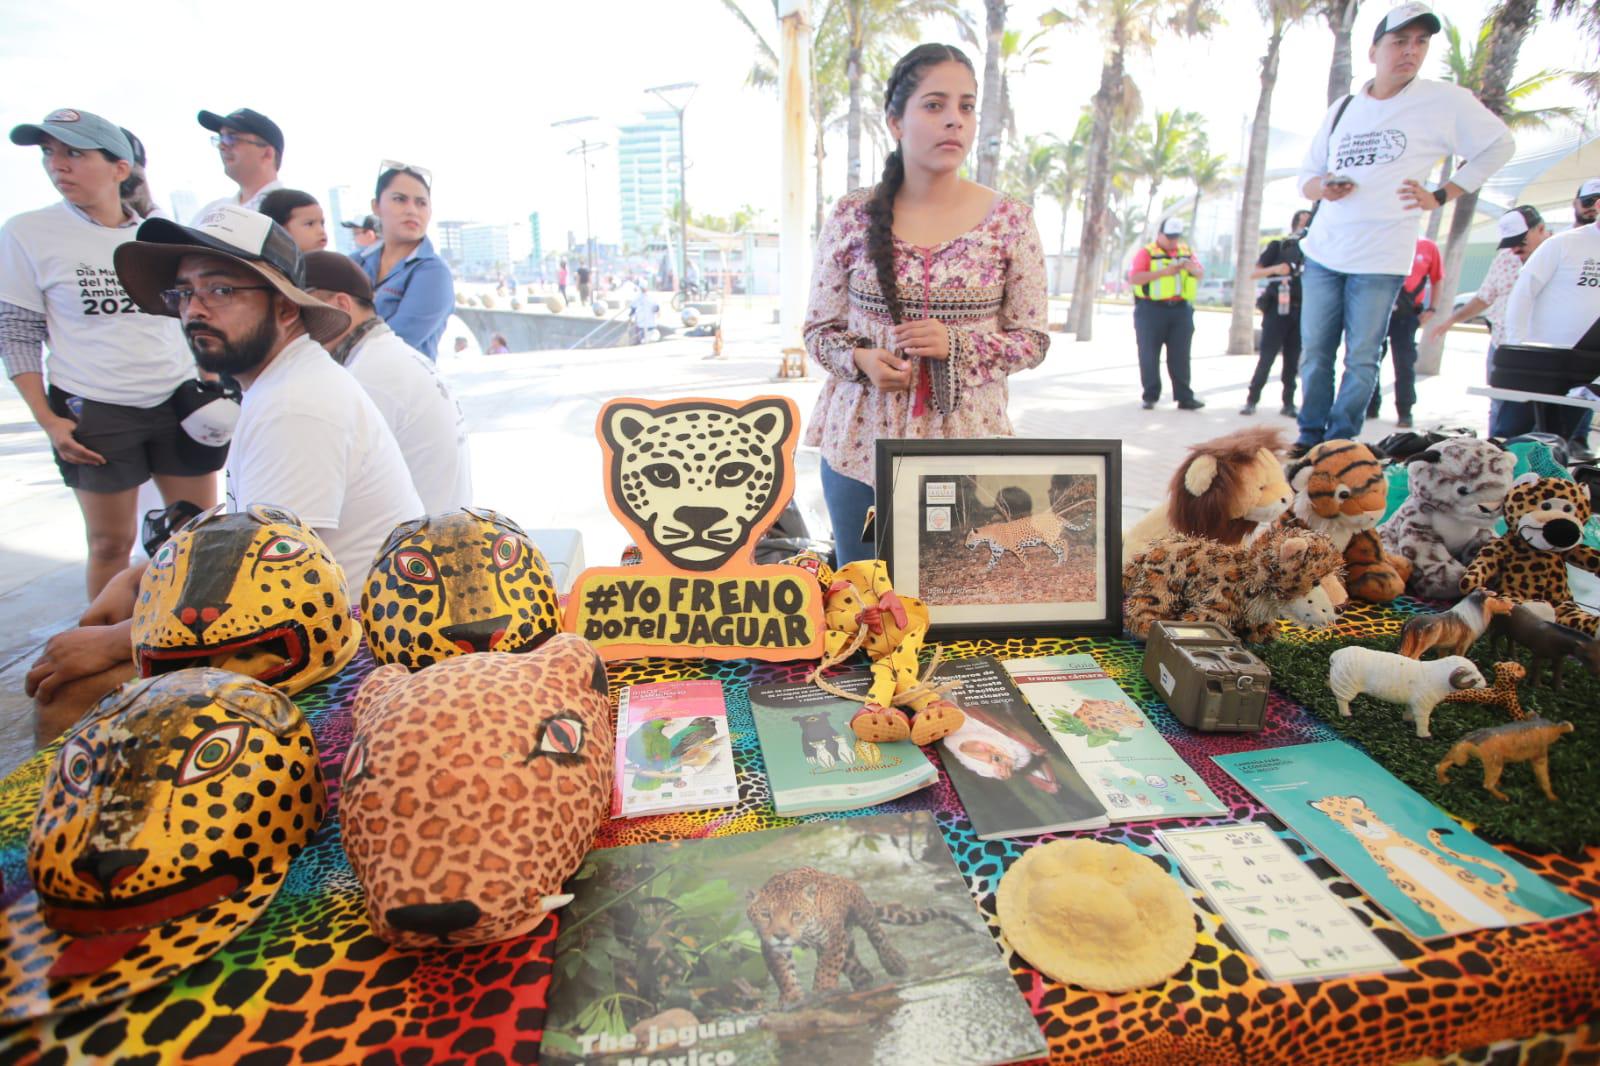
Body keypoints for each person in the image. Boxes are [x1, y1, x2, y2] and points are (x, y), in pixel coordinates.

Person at [803, 43, 1049, 566]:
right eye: (934, 105)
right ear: (895, 121)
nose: (954, 121)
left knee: (959, 607)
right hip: (859, 448)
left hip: (970, 450)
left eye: (966, 106)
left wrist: (956, 345)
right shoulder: (851, 215)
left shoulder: (1011, 222)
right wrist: (861, 360)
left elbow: (1032, 340)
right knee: (862, 606)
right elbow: (819, 329)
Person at [115, 204, 424, 573]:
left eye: (220, 290)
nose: (194, 310)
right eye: (183, 293)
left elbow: (267, 591)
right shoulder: (283, 382)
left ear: (286, 308)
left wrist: (114, 630)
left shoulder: (294, 406)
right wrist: (144, 575)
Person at [0, 109, 221, 599]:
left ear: (120, 168)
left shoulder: (160, 231)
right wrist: (48, 420)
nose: (59, 164)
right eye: (49, 153)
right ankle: (103, 659)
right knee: (109, 543)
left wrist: (212, 383)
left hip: (178, 400)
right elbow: (17, 332)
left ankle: (195, 641)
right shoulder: (28, 232)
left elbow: (192, 314)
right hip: (97, 407)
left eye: (75, 152)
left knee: (196, 535)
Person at [1292, 2, 1514, 454]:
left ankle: (1339, 443)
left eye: (1420, 42)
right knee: (1314, 354)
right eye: (1399, 41)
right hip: (1324, 251)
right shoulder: (1344, 107)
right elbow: (1307, 177)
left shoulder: (1442, 101)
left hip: (1382, 255)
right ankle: (1308, 436)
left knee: (1361, 358)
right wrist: (1325, 188)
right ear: (1374, 51)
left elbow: (1499, 144)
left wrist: (1443, 194)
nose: (1410, 51)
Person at [303, 251, 473, 514]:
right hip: (439, 533)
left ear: (340, 306)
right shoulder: (389, 357)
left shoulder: (366, 378)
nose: (294, 327)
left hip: (418, 547)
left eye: (302, 311)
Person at [1425, 205, 1548, 437]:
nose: (1514, 249)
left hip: (1537, 351)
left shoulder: (1557, 254)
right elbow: (1484, 297)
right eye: (1509, 242)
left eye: (1520, 242)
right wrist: (1451, 320)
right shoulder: (1505, 258)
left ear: (1540, 229)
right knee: (1499, 405)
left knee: (1531, 413)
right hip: (1501, 344)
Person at [1501, 184, 1600, 444]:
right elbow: (1523, 293)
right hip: (1537, 364)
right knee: (1510, 439)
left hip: (1586, 369)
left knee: (1558, 445)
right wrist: (1517, 347)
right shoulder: (1564, 243)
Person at [354, 162, 453, 360]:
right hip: (350, 385)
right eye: (400, 199)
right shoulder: (355, 263)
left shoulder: (433, 272)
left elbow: (395, 344)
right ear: (376, 206)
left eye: (421, 203)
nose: (412, 210)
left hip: (403, 388)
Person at [1129, 218, 1205, 411]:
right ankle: (1150, 395)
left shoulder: (1186, 252)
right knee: (1149, 354)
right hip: (1151, 310)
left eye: (1175, 237)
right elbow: (1135, 278)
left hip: (1180, 310)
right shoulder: (1146, 253)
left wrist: (1192, 269)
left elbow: (1200, 274)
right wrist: (1164, 272)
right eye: (1169, 237)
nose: (1172, 241)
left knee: (1181, 354)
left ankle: (1184, 397)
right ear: (1160, 234)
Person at [1242, 209, 1312, 417]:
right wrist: (1276, 269)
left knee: (1292, 360)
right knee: (1267, 357)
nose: (1305, 228)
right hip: (1276, 310)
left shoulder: (1314, 252)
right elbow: (1255, 273)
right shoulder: (1279, 246)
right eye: (1302, 223)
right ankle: (1252, 399)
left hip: (1300, 311)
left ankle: (1288, 403)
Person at [1368, 235, 1442, 427]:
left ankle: (1405, 410)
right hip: (1379, 311)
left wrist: (1432, 307)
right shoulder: (1382, 241)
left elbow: (1437, 279)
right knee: (1370, 360)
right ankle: (1370, 406)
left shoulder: (1427, 247)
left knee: (1404, 364)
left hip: (1408, 314)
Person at [194, 107, 284, 218]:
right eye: (221, 138)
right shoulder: (213, 210)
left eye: (231, 137)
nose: (221, 146)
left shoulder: (294, 211)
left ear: (267, 154)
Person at [259, 188, 328, 254]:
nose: (321, 231)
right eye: (310, 224)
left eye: (322, 223)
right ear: (279, 230)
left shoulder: (328, 262)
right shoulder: (262, 265)